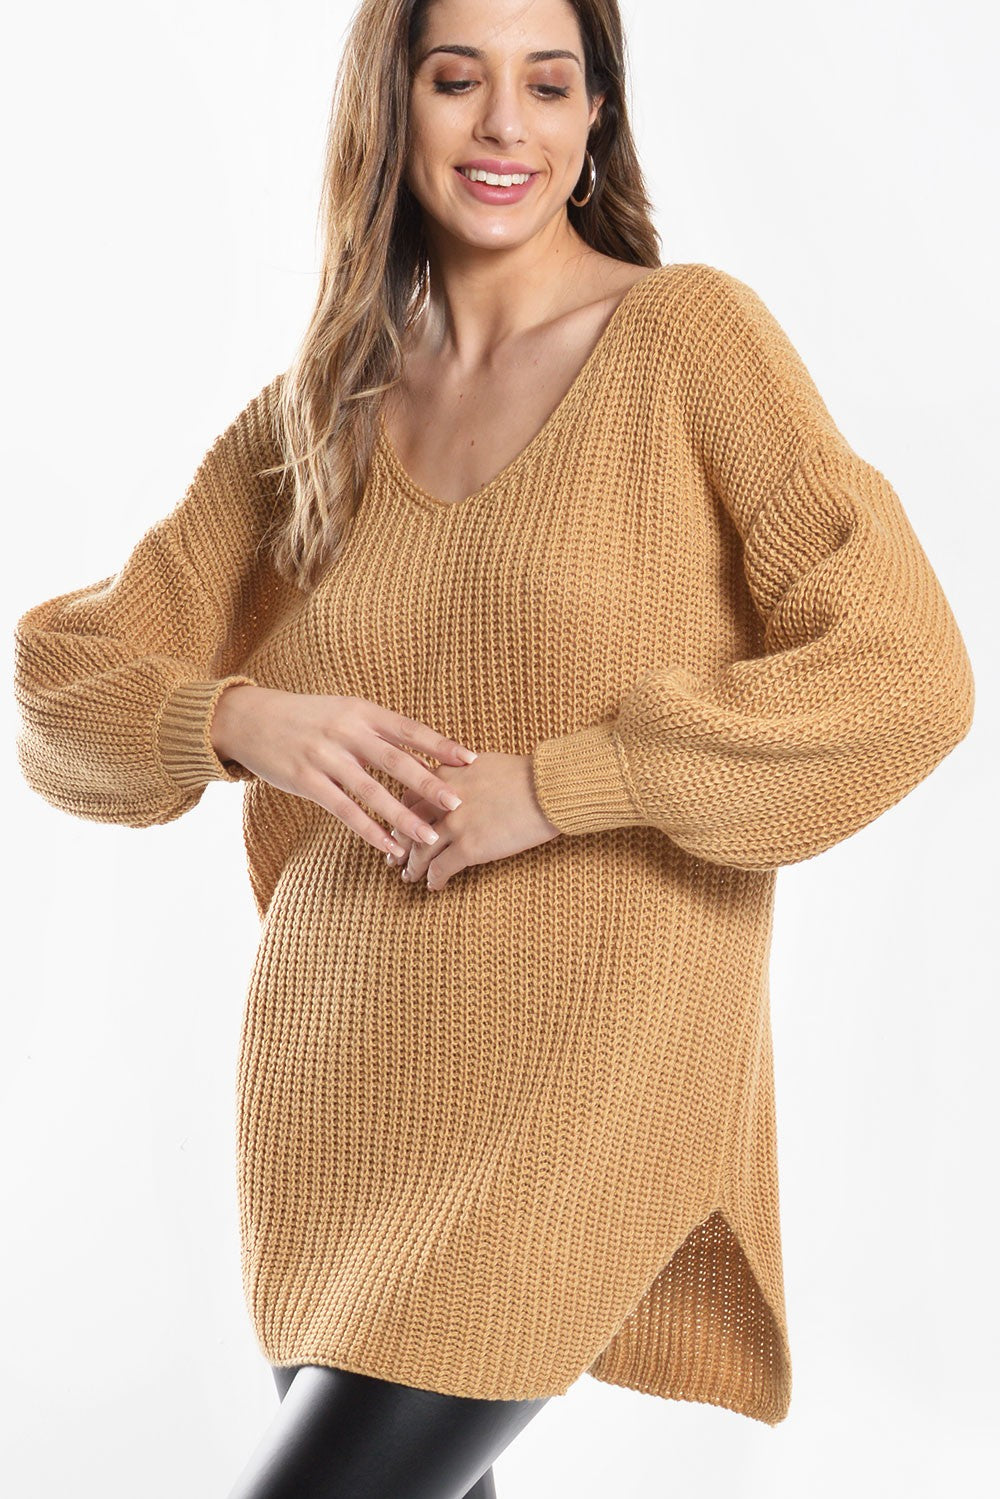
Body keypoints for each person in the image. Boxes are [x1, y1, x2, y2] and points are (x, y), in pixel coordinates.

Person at [13, 0, 975, 1495]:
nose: (506, 125)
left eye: (550, 83)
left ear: (597, 117)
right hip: (342, 1091)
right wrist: (238, 720)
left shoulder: (690, 345)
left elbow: (908, 673)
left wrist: (563, 784)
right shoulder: (316, 417)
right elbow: (54, 690)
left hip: (588, 1079)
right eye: (458, 79)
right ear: (391, 107)